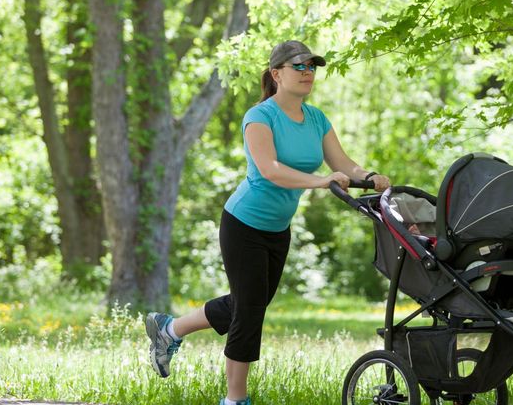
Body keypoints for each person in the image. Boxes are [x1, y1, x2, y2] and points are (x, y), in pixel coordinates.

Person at [144, 40, 391, 405]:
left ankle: (169, 329)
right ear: (277, 74)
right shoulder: (259, 117)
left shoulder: (317, 119)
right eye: (299, 67)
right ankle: (235, 399)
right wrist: (321, 181)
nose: (308, 73)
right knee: (249, 310)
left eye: (312, 67)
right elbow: (270, 170)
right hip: (243, 224)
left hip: (278, 228)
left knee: (251, 301)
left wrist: (368, 175)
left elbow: (343, 164)